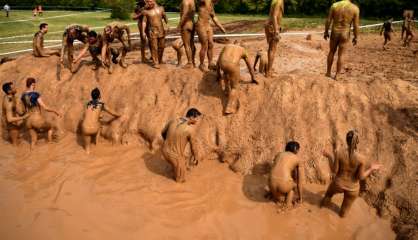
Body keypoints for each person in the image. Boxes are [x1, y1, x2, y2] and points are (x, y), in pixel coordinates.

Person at [320, 130, 382, 217]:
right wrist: (371, 168)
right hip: (353, 189)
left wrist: (329, 156)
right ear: (358, 142)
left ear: (346, 140)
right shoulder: (361, 158)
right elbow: (360, 177)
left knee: (328, 195)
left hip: (338, 184)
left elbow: (334, 171)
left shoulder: (339, 153)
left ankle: (320, 212)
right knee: (343, 213)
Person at [161, 108, 203, 183]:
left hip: (164, 150)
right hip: (175, 156)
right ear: (191, 117)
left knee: (178, 162)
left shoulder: (173, 120)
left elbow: (163, 132)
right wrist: (196, 157)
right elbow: (193, 147)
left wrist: (169, 141)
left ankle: (174, 167)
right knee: (180, 181)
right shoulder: (190, 130)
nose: (197, 121)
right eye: (197, 118)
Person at [216, 41, 257, 115]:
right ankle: (229, 108)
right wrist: (253, 77)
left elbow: (218, 60)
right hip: (232, 65)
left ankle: (226, 90)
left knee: (226, 72)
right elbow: (250, 66)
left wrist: (218, 73)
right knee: (235, 87)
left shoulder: (227, 46)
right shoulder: (243, 50)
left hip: (222, 63)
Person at [324, 0, 360, 80]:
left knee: (331, 52)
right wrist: (356, 37)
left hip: (335, 32)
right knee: (341, 55)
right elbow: (356, 25)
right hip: (345, 33)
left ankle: (328, 72)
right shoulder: (355, 8)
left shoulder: (335, 5)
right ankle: (337, 75)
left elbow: (328, 20)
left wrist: (326, 31)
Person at [21, 78, 61, 149]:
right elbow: (45, 107)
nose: (35, 85)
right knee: (51, 126)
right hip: (35, 119)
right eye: (34, 84)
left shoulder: (23, 95)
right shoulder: (35, 94)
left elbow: (23, 109)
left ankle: (32, 153)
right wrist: (56, 111)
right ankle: (50, 142)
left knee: (33, 140)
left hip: (28, 121)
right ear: (32, 84)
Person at [81, 88, 121, 154]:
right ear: (99, 96)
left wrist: (98, 116)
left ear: (91, 96)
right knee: (99, 124)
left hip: (85, 128)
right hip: (94, 129)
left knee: (87, 149)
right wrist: (119, 115)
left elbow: (86, 115)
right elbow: (112, 113)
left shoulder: (87, 103)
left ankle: (87, 152)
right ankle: (96, 143)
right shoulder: (101, 104)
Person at [269, 141, 304, 208]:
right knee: (293, 187)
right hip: (283, 185)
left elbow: (274, 168)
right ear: (296, 149)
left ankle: (274, 195)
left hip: (270, 184)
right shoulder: (297, 159)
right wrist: (300, 198)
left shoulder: (279, 154)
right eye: (298, 150)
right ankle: (288, 205)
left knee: (279, 182)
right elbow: (299, 182)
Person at [134, 0, 168, 68]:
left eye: (150, 1)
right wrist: (143, 31)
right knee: (153, 46)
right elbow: (143, 21)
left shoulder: (160, 8)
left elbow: (164, 17)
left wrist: (167, 24)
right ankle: (154, 61)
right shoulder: (143, 9)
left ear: (154, 1)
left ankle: (159, 59)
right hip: (150, 29)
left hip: (160, 30)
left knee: (161, 46)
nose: (149, 3)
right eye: (148, 2)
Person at [196, 0, 226, 71]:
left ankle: (210, 63)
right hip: (201, 25)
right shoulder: (204, 1)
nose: (217, 2)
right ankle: (201, 64)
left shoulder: (211, 6)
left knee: (211, 44)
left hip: (208, 26)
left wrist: (221, 27)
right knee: (204, 45)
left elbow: (214, 17)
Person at [264, 0, 284, 78]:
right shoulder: (279, 1)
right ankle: (269, 72)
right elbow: (274, 16)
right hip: (272, 26)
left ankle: (269, 69)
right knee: (272, 49)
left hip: (270, 25)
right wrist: (276, 31)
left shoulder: (274, 1)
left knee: (270, 49)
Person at [179, 0, 197, 68]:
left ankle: (190, 63)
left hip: (186, 25)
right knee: (191, 44)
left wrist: (179, 25)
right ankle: (193, 61)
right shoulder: (192, 1)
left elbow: (184, 14)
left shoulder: (185, 2)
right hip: (192, 24)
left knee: (187, 45)